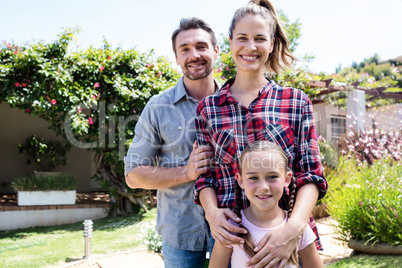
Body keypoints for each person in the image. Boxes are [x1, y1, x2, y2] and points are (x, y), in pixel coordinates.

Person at [194, 1, 328, 267]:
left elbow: (311, 174)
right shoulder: (208, 109)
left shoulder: (295, 101)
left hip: (288, 241)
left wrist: (292, 229)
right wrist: (212, 214)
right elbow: (204, 176)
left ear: (272, 42)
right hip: (232, 244)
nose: (250, 47)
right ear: (230, 41)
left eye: (259, 39)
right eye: (242, 38)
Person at [124, 17, 219, 268]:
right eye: (184, 49)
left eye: (201, 46)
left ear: (216, 51)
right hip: (180, 233)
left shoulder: (236, 102)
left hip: (232, 230)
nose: (194, 55)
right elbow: (133, 175)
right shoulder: (158, 107)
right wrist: (185, 173)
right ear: (176, 57)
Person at [209, 141, 323, 268]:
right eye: (253, 178)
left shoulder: (298, 229)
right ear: (240, 180)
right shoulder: (230, 229)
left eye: (272, 176)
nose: (263, 187)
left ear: (286, 179)